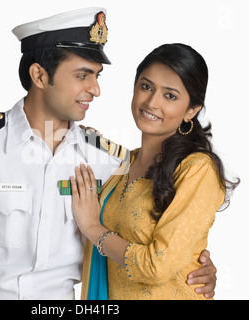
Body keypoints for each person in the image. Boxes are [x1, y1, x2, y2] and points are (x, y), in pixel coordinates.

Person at [0, 8, 216, 300]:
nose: (95, 89)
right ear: (40, 76)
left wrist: (193, 263)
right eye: (82, 75)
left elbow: (143, 227)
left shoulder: (111, 161)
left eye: (97, 76)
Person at [71, 43, 239, 300]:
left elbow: (156, 266)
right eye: (146, 86)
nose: (151, 102)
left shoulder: (196, 169)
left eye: (170, 96)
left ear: (191, 110)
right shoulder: (122, 165)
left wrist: (93, 228)